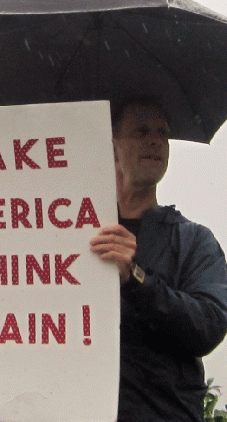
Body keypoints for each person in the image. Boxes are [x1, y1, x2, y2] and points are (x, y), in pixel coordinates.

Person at [90, 99, 227, 422]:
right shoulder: (76, 234)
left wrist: (136, 279)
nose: (155, 141)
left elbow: (208, 326)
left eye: (162, 134)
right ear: (111, 145)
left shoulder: (193, 241)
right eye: (140, 131)